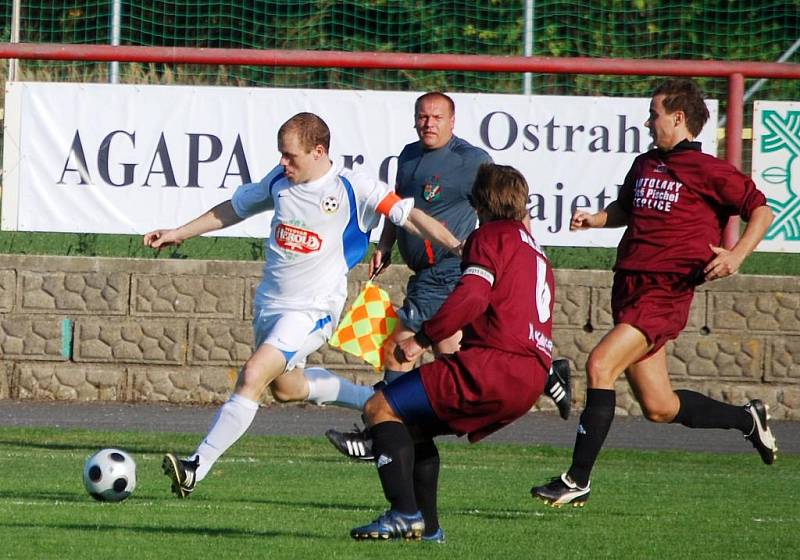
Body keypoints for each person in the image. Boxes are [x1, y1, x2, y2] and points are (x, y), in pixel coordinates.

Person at [144, 112, 462, 498]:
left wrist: (460, 247)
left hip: (313, 308)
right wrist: (178, 232)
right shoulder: (280, 182)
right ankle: (378, 403)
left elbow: (408, 216)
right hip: (269, 305)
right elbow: (233, 208)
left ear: (318, 151)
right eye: (281, 155)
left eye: (290, 156)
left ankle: (196, 466)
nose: (283, 162)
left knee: (252, 375)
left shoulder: (353, 186)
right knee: (286, 388)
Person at [531, 78, 778, 508]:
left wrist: (737, 254)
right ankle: (747, 418)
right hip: (629, 286)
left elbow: (761, 208)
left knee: (599, 365)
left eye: (655, 114)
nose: (649, 122)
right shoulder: (645, 163)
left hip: (665, 293)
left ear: (678, 118)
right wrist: (595, 220)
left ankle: (577, 480)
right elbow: (626, 210)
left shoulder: (710, 170)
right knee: (660, 406)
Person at [326, 92, 571, 461]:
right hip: (422, 273)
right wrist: (386, 245)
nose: (429, 123)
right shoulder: (408, 157)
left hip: (450, 271)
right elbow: (398, 208)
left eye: (437, 117)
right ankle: (546, 372)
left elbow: (511, 203)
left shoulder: (471, 160)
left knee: (399, 351)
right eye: (423, 116)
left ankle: (381, 433)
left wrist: (525, 247)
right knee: (452, 356)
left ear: (453, 122)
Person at [349, 163, 555, 542]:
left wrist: (422, 340)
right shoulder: (535, 251)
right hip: (531, 378)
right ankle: (429, 530)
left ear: (480, 203)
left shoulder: (490, 236)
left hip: (492, 366)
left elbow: (473, 295)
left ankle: (402, 514)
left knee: (379, 408)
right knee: (411, 428)